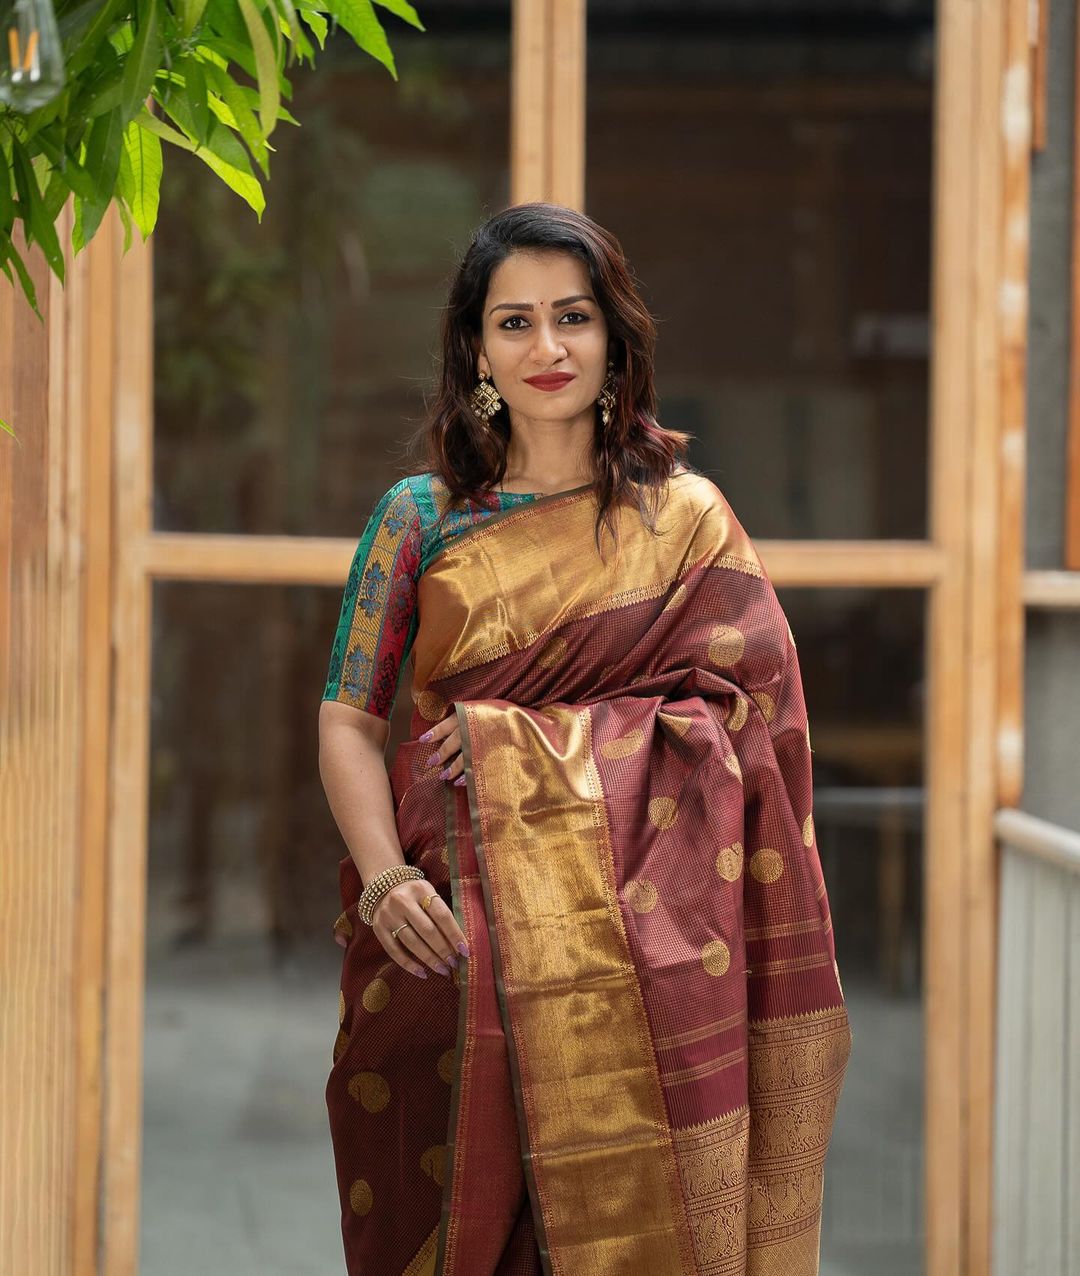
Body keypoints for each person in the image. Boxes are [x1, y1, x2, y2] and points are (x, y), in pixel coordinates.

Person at [317, 201, 852, 1276]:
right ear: (476, 348)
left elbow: (750, 728)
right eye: (513, 322)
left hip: (651, 971)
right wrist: (383, 882)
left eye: (572, 317)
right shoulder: (418, 518)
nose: (546, 348)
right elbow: (347, 716)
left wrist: (532, 746)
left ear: (615, 339)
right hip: (453, 948)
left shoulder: (688, 520)